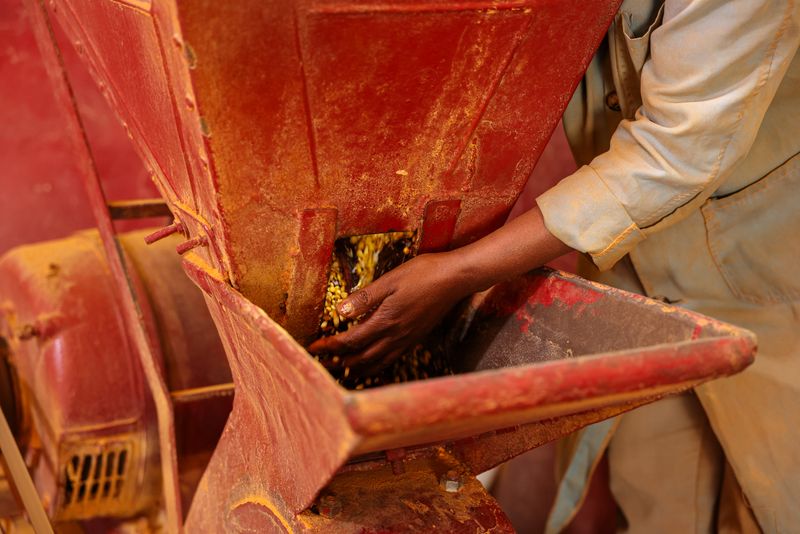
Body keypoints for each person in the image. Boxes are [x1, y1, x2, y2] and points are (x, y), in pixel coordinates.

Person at [310, 0, 800, 531]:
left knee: (776, 496)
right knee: (659, 495)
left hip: (758, 258)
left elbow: (676, 155)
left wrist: (459, 272)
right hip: (638, 268)